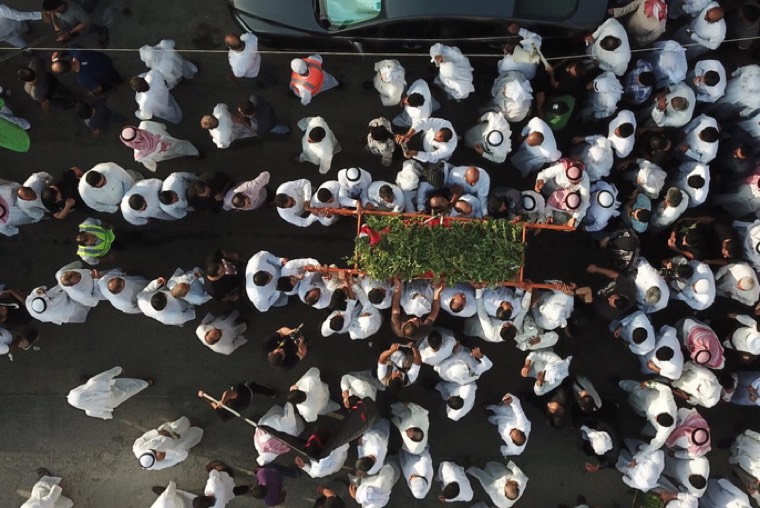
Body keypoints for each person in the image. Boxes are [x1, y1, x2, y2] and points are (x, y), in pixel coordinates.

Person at [66, 366, 151, 420]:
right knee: (127, 382)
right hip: (111, 386)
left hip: (116, 399)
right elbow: (108, 374)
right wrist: (119, 370)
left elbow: (107, 415)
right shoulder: (95, 382)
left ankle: (146, 383)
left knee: (131, 390)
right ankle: (144, 383)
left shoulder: (91, 411)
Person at [619, 379, 677, 454]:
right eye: (657, 417)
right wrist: (648, 383)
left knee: (633, 403)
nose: (655, 418)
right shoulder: (668, 403)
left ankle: (623, 398)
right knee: (636, 388)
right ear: (666, 412)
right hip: (649, 395)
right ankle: (621, 383)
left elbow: (655, 445)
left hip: (645, 409)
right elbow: (666, 389)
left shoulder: (665, 430)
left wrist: (638, 458)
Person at [132, 416, 203, 470]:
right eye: (156, 455)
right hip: (176, 445)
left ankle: (187, 422)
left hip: (165, 434)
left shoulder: (137, 447)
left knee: (178, 425)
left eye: (153, 451)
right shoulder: (159, 465)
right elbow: (182, 456)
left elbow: (145, 437)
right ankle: (194, 429)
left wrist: (157, 433)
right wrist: (167, 455)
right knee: (190, 437)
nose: (156, 452)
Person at [50, 48, 121, 96]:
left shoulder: (83, 79)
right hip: (107, 62)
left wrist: (94, 93)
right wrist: (57, 58)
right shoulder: (78, 52)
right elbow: (68, 49)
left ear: (65, 73)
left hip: (105, 76)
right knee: (114, 74)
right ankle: (119, 80)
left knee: (105, 85)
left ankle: (111, 88)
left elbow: (98, 88)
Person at [42, 0, 108, 46]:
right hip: (69, 24)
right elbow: (52, 14)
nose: (48, 14)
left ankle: (102, 31)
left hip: (81, 24)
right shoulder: (56, 7)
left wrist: (70, 32)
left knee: (90, 28)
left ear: (57, 8)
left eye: (50, 12)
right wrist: (56, 27)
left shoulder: (75, 11)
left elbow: (86, 22)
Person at [26, 284, 91, 325]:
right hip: (70, 307)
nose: (45, 295)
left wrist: (38, 290)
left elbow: (35, 293)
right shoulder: (58, 313)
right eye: (49, 299)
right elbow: (71, 306)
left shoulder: (30, 302)